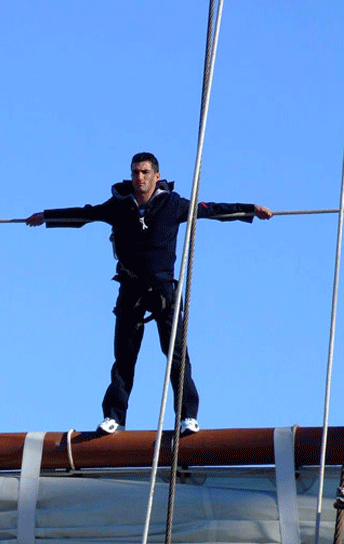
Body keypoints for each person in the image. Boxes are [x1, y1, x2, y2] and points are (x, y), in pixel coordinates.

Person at [26, 152, 272, 435]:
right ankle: (114, 417)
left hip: (163, 290)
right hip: (130, 289)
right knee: (125, 355)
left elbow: (212, 209)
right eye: (134, 173)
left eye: (144, 172)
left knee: (176, 353)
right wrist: (46, 217)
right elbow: (86, 214)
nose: (138, 178)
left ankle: (188, 416)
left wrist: (251, 209)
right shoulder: (118, 206)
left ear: (156, 176)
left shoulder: (173, 205)